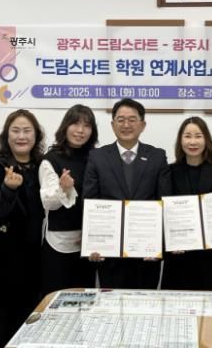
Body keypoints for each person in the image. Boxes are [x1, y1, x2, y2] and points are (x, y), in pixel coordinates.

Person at [82, 98, 171, 289]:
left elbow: (164, 202)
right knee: (111, 303)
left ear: (142, 125)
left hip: (146, 254)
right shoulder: (97, 157)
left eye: (132, 119)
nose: (126, 125)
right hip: (110, 255)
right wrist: (93, 244)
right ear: (112, 124)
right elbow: (90, 201)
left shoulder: (157, 156)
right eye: (121, 120)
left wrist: (158, 245)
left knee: (146, 303)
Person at [0, 109, 46, 348]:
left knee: (28, 315)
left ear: (36, 136)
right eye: (15, 131)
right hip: (2, 256)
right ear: (6, 136)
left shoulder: (43, 166)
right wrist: (8, 189)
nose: (21, 136)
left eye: (27, 131)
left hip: (33, 255)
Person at [162, 116, 212, 291]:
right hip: (180, 258)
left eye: (198, 136)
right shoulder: (169, 172)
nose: (193, 142)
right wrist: (169, 242)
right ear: (180, 140)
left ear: (206, 139)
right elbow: (164, 213)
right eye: (187, 136)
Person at [40, 104, 98, 295]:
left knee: (85, 300)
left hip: (89, 243)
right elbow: (48, 203)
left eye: (87, 125)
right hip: (59, 243)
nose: (80, 130)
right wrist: (63, 188)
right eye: (75, 124)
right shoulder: (50, 159)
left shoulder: (96, 158)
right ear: (65, 126)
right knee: (56, 299)